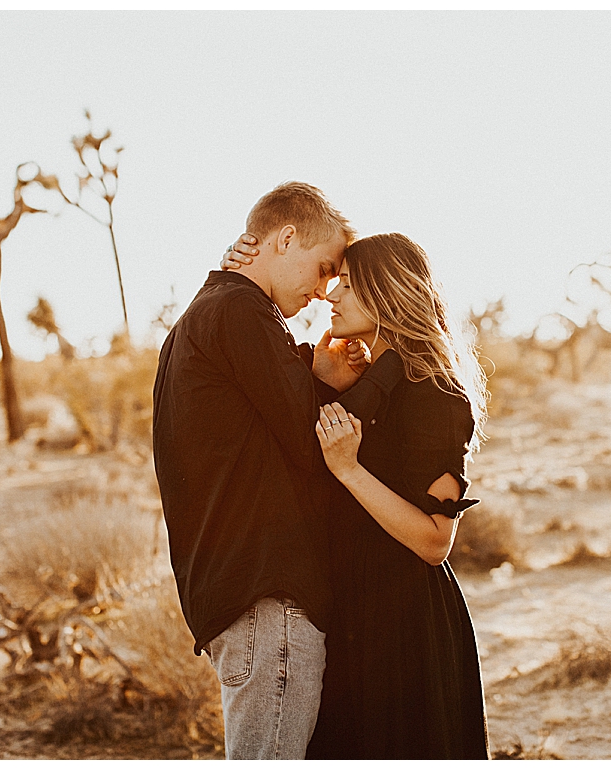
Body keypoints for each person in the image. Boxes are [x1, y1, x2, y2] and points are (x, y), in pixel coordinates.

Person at [151, 182, 404, 760]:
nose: (322, 292)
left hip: (246, 598)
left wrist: (313, 370)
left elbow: (269, 426)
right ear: (285, 238)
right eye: (321, 270)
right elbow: (313, 440)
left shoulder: (211, 312)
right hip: (269, 601)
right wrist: (382, 374)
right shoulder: (240, 311)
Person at [223, 231, 490, 758]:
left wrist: (349, 470)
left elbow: (436, 541)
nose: (331, 295)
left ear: (386, 292)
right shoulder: (367, 385)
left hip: (402, 621)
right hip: (346, 609)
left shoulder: (435, 394)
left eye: (346, 283)